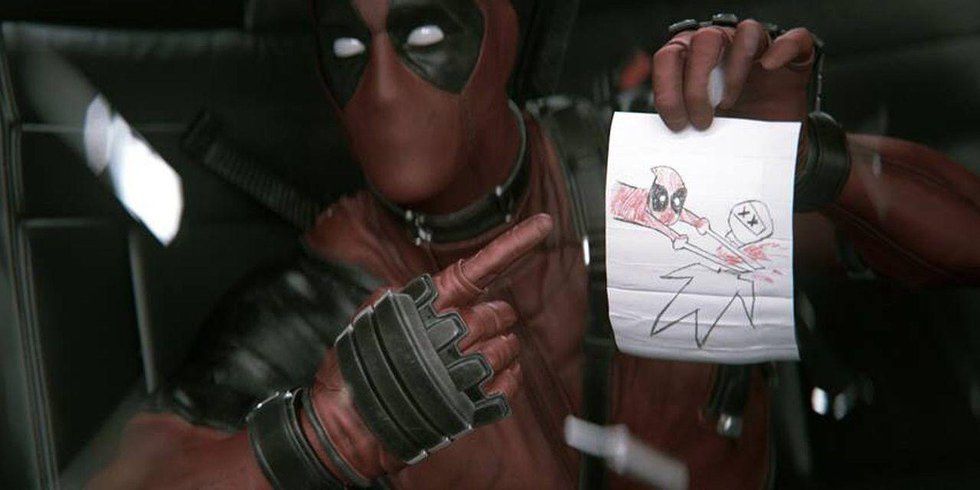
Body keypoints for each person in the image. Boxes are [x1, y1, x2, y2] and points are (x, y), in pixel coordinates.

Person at [90, 1, 980, 489]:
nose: (385, 85)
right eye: (348, 46)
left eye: (427, 35)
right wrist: (327, 436)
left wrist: (815, 164)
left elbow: (961, 246)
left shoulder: (648, 183)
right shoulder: (327, 301)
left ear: (508, 27)